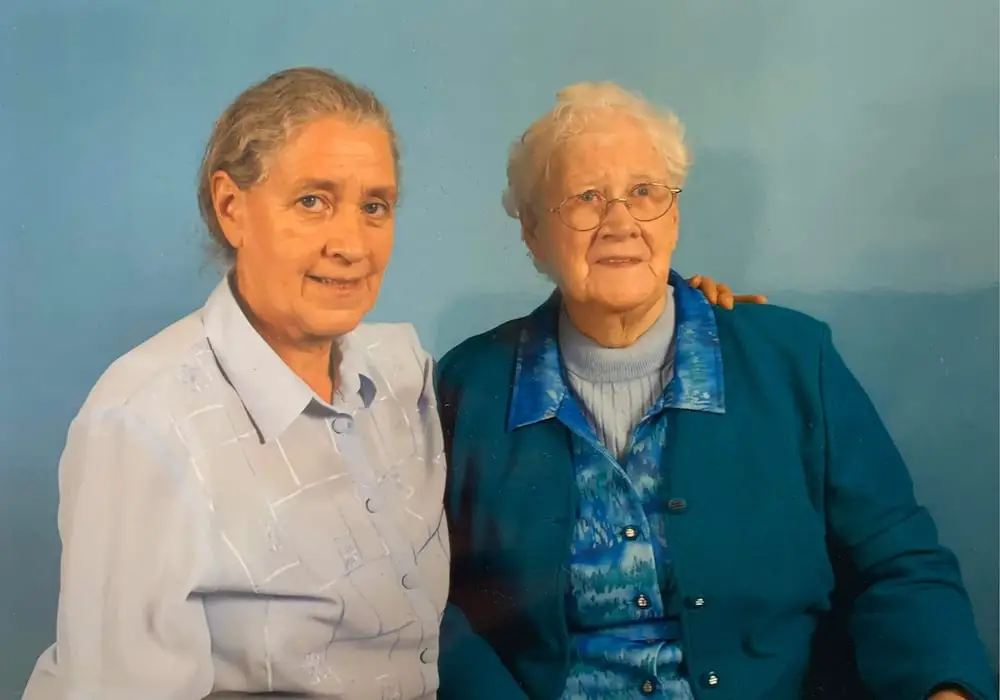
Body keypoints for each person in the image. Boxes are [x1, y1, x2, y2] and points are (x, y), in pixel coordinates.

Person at [22, 68, 747, 700]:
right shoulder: (145, 423)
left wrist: (687, 315)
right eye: (313, 200)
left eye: (375, 205)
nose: (351, 242)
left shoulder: (402, 376)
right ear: (232, 206)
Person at [435, 82, 996, 700]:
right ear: (534, 233)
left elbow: (898, 564)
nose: (620, 222)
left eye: (644, 193)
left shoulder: (790, 360)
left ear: (673, 215)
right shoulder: (470, 385)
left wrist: (945, 689)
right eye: (586, 197)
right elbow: (433, 604)